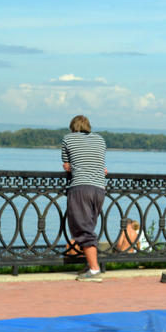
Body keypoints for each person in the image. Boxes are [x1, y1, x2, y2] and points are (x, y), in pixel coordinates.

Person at [62, 115, 107, 282]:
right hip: (99, 189)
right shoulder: (100, 140)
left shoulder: (68, 139)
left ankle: (95, 270)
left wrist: (71, 167)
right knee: (89, 225)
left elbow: (67, 165)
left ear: (73, 127)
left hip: (80, 187)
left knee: (82, 228)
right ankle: (91, 266)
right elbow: (100, 164)